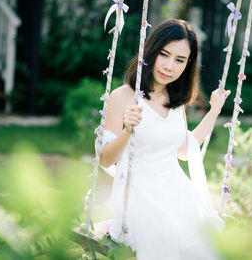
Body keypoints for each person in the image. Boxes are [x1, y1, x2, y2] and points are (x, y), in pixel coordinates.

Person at [97, 19, 230, 260]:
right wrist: (127, 130)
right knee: (166, 238)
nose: (169, 66)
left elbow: (183, 150)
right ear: (151, 51)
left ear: (188, 64)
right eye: (164, 54)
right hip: (139, 195)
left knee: (204, 244)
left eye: (179, 60)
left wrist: (214, 111)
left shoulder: (175, 100)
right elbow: (105, 160)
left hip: (175, 190)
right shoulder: (123, 97)